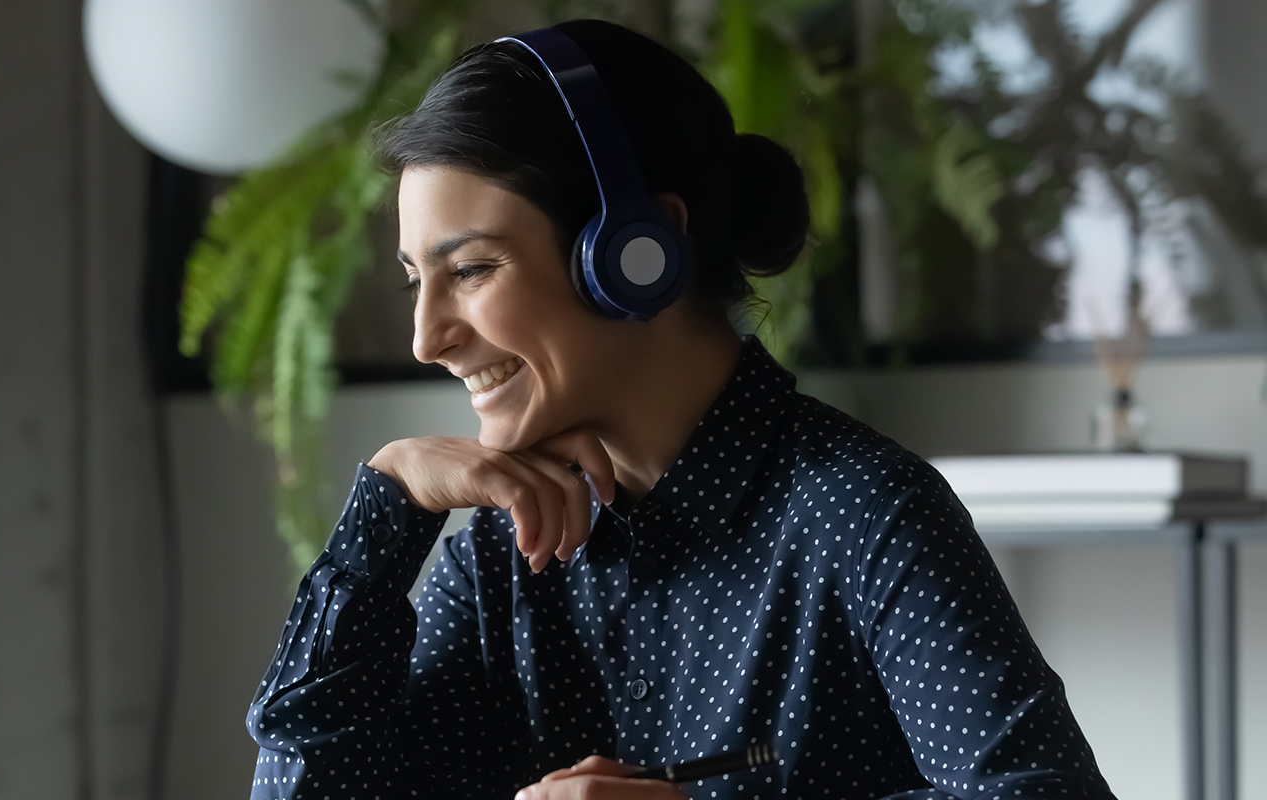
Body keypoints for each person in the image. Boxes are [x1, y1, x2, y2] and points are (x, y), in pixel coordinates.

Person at [243, 18, 1116, 800]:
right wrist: (387, 508)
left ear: (637, 254)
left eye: (469, 270)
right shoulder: (505, 558)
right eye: (414, 281)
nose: (426, 339)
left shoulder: (861, 512)